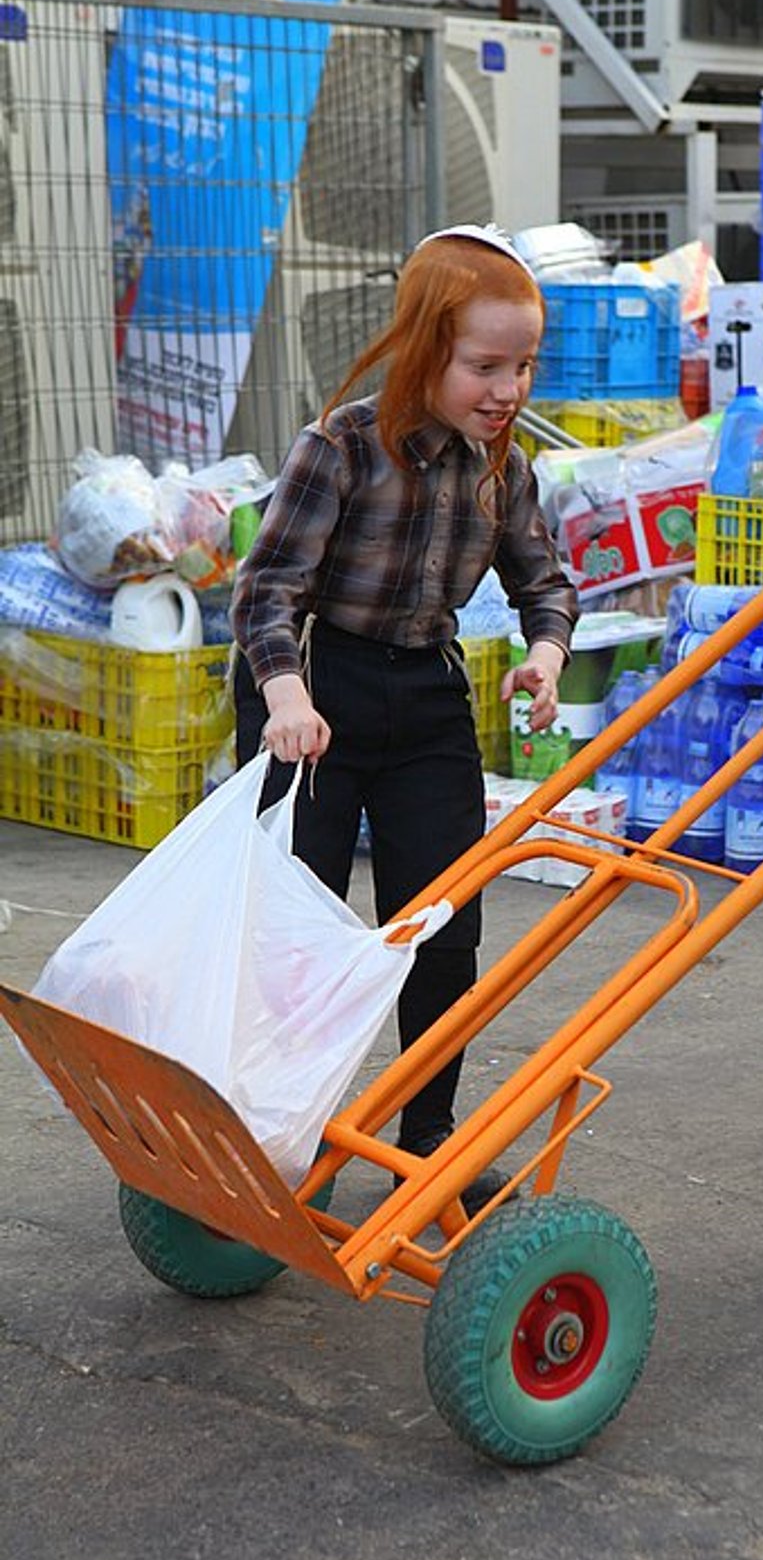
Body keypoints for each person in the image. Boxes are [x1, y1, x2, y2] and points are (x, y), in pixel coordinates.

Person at [230, 223, 579, 1211]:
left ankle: (431, 1133)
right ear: (426, 349)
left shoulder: (503, 466)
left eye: (522, 366)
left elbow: (544, 581)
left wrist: (545, 654)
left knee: (441, 924)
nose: (508, 388)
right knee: (298, 929)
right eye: (484, 365)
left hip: (428, 700)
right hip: (317, 694)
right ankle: (276, 1124)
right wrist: (285, 698)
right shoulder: (339, 446)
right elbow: (265, 591)